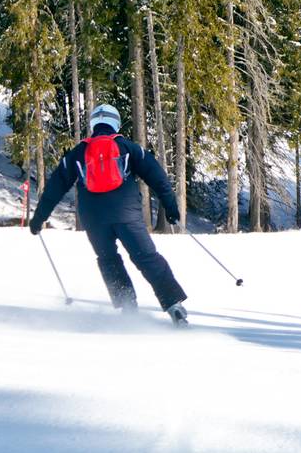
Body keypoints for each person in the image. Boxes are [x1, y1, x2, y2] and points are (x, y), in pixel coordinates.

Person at [29, 103, 190, 324]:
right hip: (127, 213)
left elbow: (55, 187)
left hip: (93, 218)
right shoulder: (130, 148)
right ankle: (174, 305)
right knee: (147, 258)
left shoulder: (78, 152)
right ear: (116, 123)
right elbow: (158, 179)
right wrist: (171, 209)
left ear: (93, 123)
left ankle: (127, 308)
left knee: (108, 259)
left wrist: (39, 219)